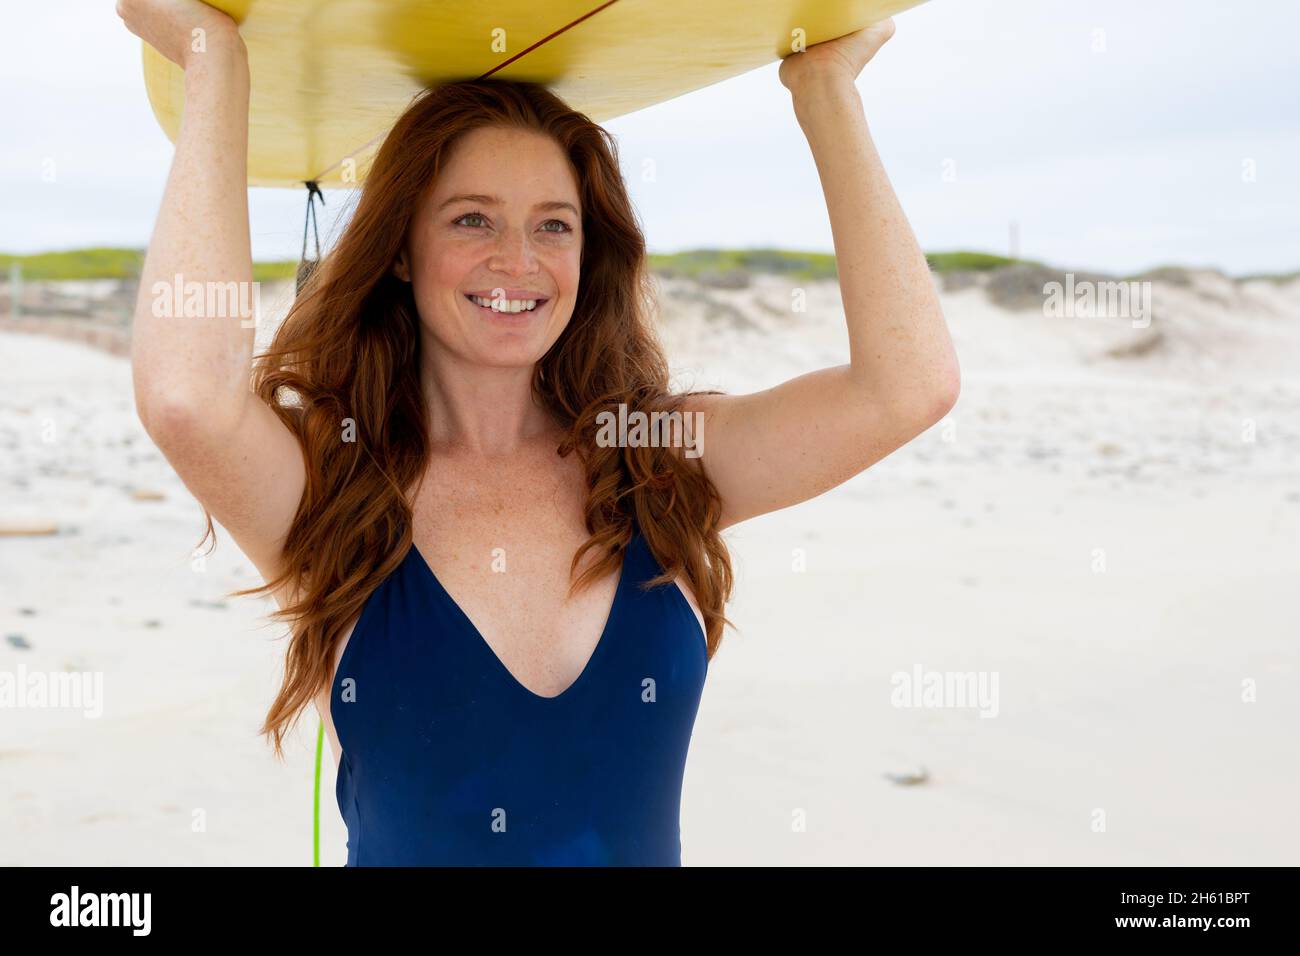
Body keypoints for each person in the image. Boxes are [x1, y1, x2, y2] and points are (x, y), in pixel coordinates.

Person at [117, 0, 960, 865]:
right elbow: (186, 396)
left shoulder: (654, 460)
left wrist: (825, 92)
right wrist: (211, 55)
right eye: (472, 218)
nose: (518, 261)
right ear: (400, 250)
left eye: (553, 224)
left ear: (588, 253)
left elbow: (907, 388)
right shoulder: (329, 485)